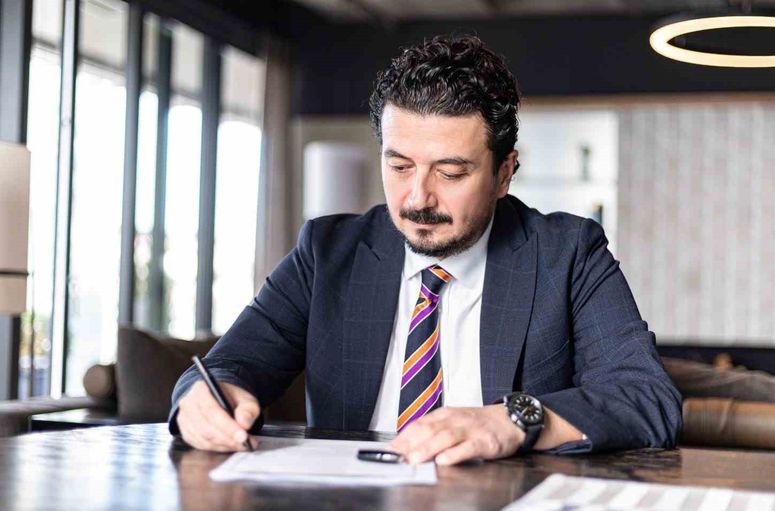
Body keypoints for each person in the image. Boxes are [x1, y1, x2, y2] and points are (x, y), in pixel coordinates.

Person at [170, 35, 681, 465]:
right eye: (399, 166)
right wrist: (205, 398)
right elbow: (225, 367)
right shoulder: (327, 253)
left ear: (504, 173)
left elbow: (647, 398)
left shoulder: (567, 254)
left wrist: (513, 420)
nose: (417, 198)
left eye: (451, 172)